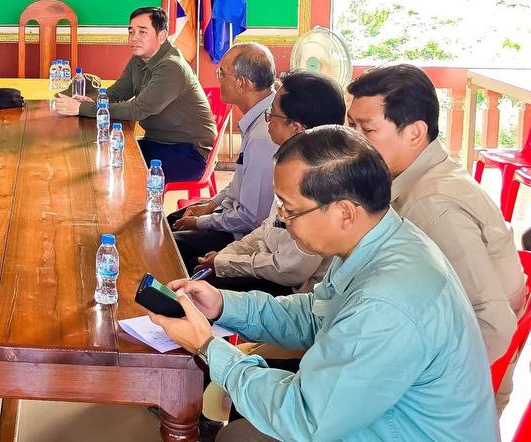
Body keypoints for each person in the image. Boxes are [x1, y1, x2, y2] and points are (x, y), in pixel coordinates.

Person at [150, 127, 497, 442]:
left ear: (344, 212)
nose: (282, 220)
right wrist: (224, 305)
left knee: (238, 435)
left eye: (289, 209)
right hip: (373, 420)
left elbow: (306, 419)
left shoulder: (387, 302)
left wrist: (208, 347)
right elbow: (316, 316)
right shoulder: (381, 242)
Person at [348, 63, 525, 408]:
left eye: (366, 129)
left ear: (415, 133)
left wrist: (409, 385)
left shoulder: (433, 206)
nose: (352, 140)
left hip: (447, 398)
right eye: (351, 125)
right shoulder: (419, 179)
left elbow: (494, 325)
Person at [194, 70, 347, 296]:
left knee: (197, 291)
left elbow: (290, 270)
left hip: (292, 291)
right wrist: (227, 255)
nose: (267, 120)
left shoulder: (320, 184)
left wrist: (226, 262)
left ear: (296, 128)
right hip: (267, 263)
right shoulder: (290, 163)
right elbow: (268, 228)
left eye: (272, 114)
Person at [54, 6, 216, 182]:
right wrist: (90, 101)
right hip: (157, 142)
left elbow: (137, 110)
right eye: (131, 31)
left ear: (162, 36)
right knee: (101, 156)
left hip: (188, 152)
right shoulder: (140, 58)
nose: (134, 38)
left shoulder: (172, 66)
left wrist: (82, 108)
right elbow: (118, 92)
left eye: (142, 32)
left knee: (114, 168)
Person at [168, 43, 277, 274]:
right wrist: (211, 205)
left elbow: (251, 219)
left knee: (168, 246)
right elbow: (239, 182)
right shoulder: (258, 117)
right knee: (169, 222)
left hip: (245, 238)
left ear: (242, 83)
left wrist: (203, 222)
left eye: (222, 73)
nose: (218, 80)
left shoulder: (264, 134)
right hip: (233, 215)